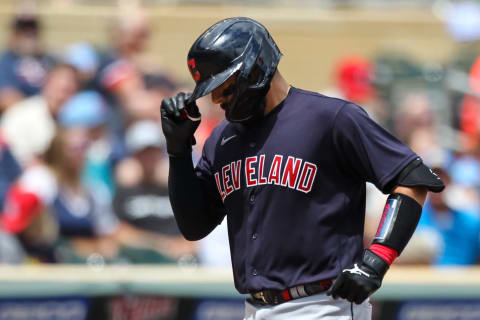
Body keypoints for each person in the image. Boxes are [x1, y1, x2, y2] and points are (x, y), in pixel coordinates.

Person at [160, 17, 445, 319]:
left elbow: (412, 179)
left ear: (255, 68)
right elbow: (194, 226)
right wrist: (178, 153)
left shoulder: (331, 118)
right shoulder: (223, 139)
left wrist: (377, 258)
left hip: (323, 304)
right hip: (254, 308)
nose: (216, 98)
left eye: (224, 85)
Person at [0, 13, 56, 111]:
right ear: (14, 35)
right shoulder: (5, 63)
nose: (29, 36)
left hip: (53, 112)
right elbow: (7, 97)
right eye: (24, 32)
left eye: (33, 31)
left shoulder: (49, 60)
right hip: (22, 116)